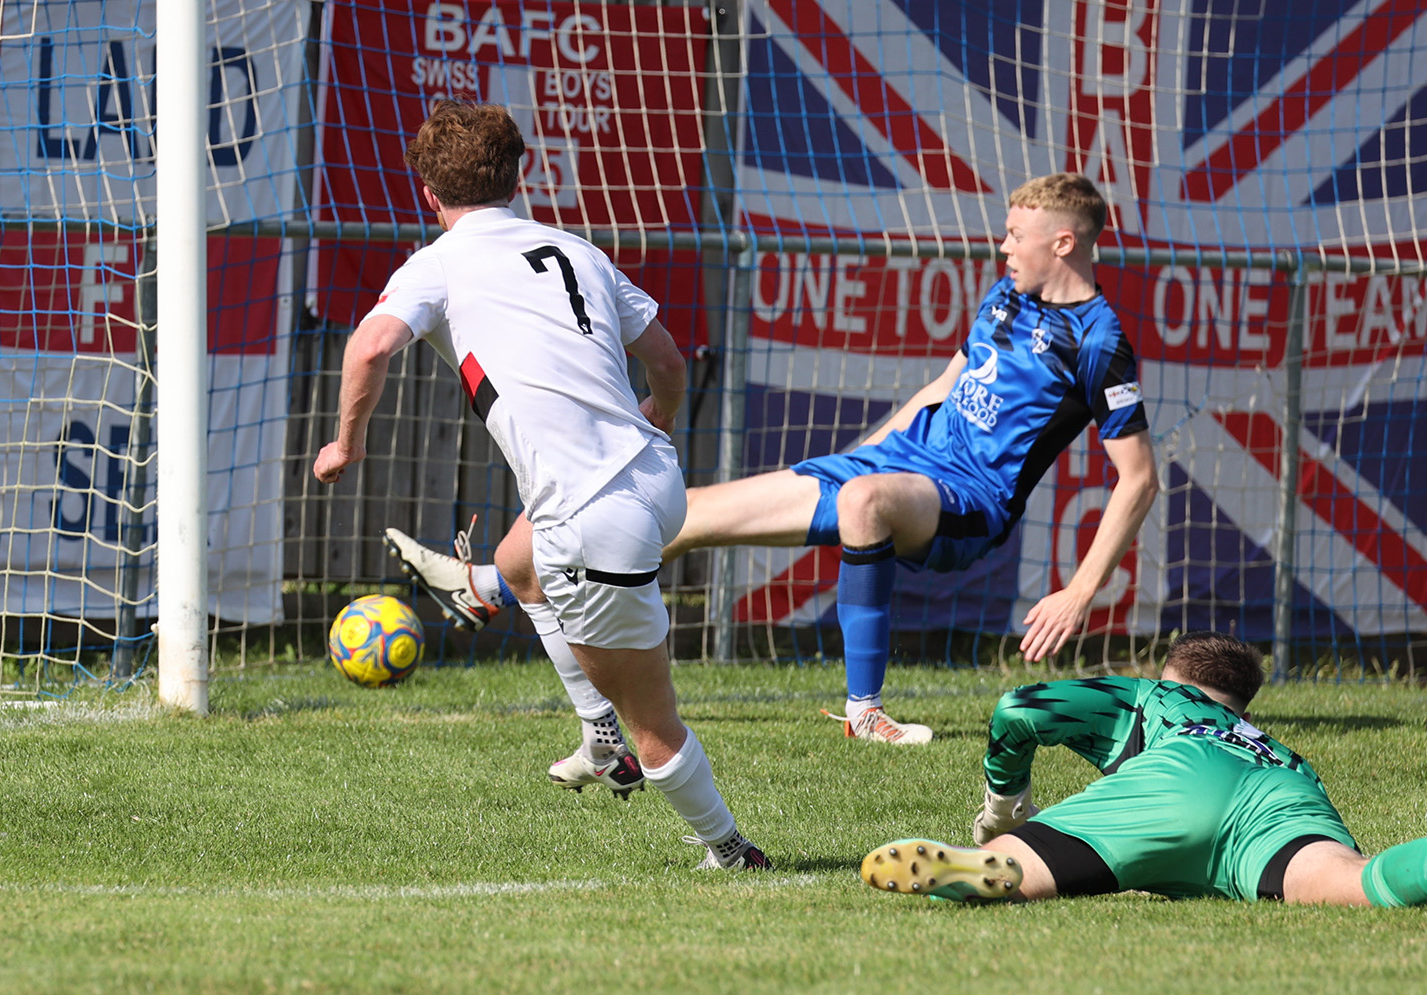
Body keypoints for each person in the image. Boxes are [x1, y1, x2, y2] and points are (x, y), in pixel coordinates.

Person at [390, 172, 1158, 749]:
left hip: (969, 501)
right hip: (900, 467)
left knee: (863, 503)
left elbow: (1137, 479)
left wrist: (1080, 591)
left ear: (1063, 243)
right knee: (673, 515)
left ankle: (865, 714)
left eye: (1016, 235)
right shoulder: (1006, 296)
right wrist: (868, 453)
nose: (1003, 246)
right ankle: (485, 588)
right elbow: (944, 384)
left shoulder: (1098, 340)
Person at [315, 99, 770, 871]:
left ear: (428, 192)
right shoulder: (573, 249)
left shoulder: (439, 264)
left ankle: (729, 850)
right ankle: (594, 730)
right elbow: (666, 359)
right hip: (655, 480)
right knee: (519, 561)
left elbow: (368, 348)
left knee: (654, 723)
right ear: (518, 177)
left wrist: (345, 443)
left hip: (595, 519)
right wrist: (660, 411)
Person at [860, 631, 1427, 908]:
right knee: (1356, 883)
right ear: (1245, 711)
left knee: (1008, 870)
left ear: (1168, 677)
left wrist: (1003, 809)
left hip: (1180, 778)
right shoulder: (1271, 744)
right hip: (1284, 793)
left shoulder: (1159, 697)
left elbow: (1019, 708)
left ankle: (966, 867)